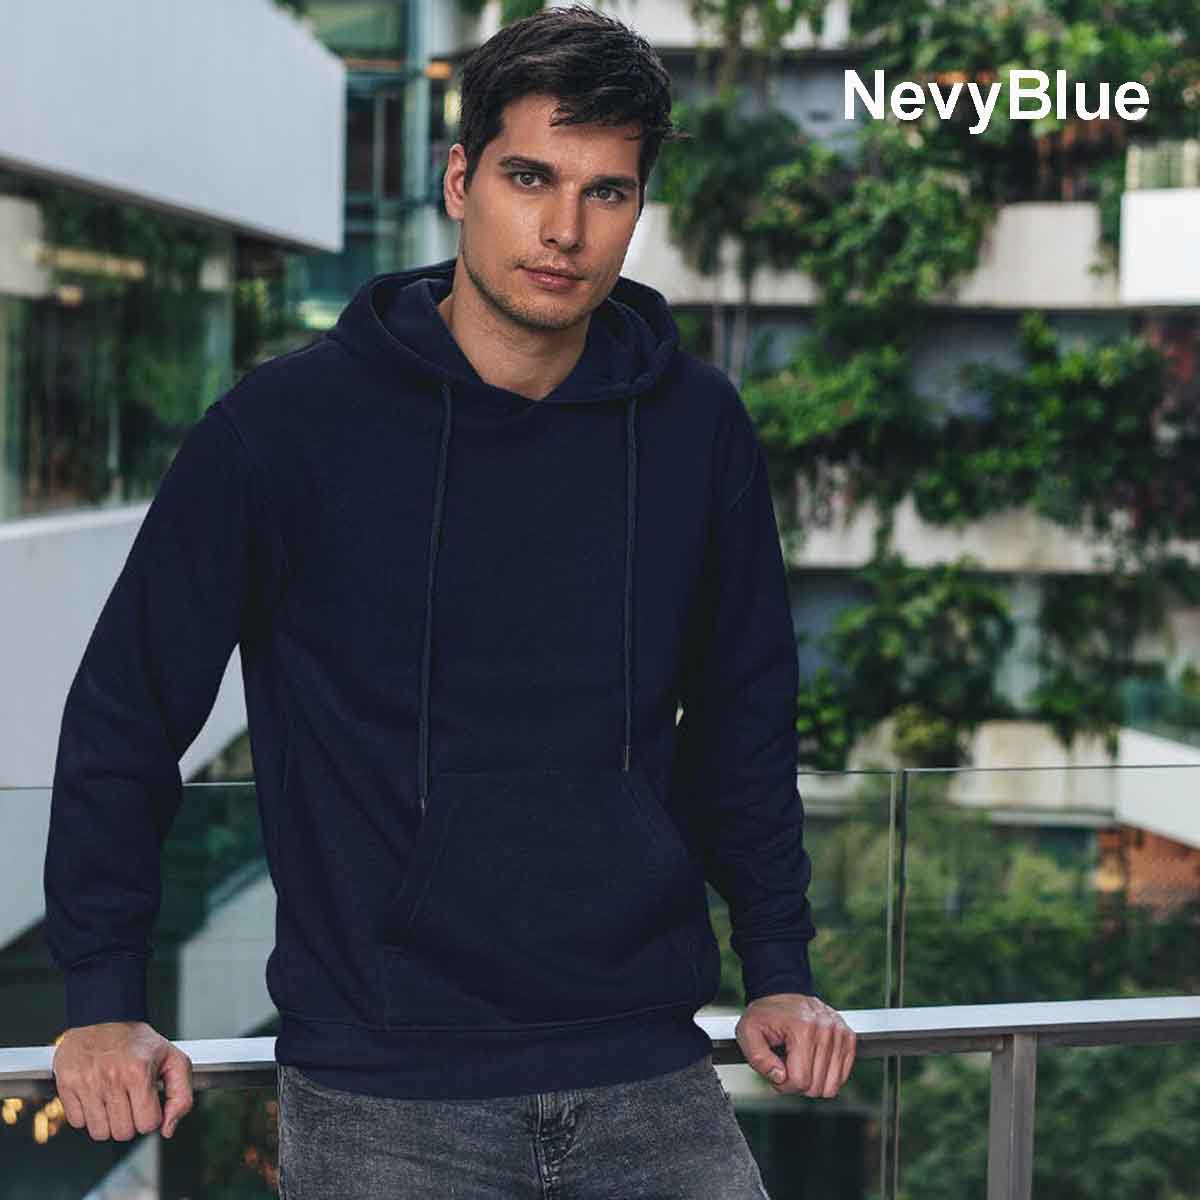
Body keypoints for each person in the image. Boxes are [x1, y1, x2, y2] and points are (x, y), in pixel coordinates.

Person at [43, 4, 856, 1195]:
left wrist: (779, 964)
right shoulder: (283, 430)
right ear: (461, 179)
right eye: (531, 179)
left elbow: (745, 715)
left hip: (648, 1068)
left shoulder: (696, 427)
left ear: (638, 209)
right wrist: (103, 996)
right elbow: (129, 710)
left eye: (607, 192)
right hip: (383, 1094)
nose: (564, 230)